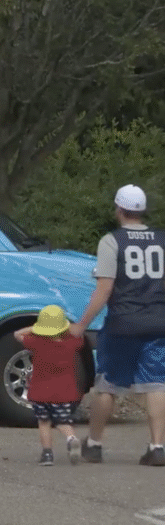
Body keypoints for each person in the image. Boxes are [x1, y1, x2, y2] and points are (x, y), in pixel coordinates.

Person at [69, 184, 165, 466]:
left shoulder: (111, 241)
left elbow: (105, 289)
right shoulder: (162, 240)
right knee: (156, 384)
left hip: (122, 324)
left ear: (119, 209)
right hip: (158, 323)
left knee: (107, 384)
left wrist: (81, 323)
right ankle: (157, 446)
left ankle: (94, 444)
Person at [14, 305, 84, 465]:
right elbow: (79, 335)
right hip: (64, 393)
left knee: (44, 422)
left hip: (40, 393)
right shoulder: (71, 343)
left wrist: (34, 328)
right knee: (63, 421)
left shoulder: (37, 342)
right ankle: (71, 438)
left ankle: (47, 455)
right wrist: (67, 328)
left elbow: (17, 334)